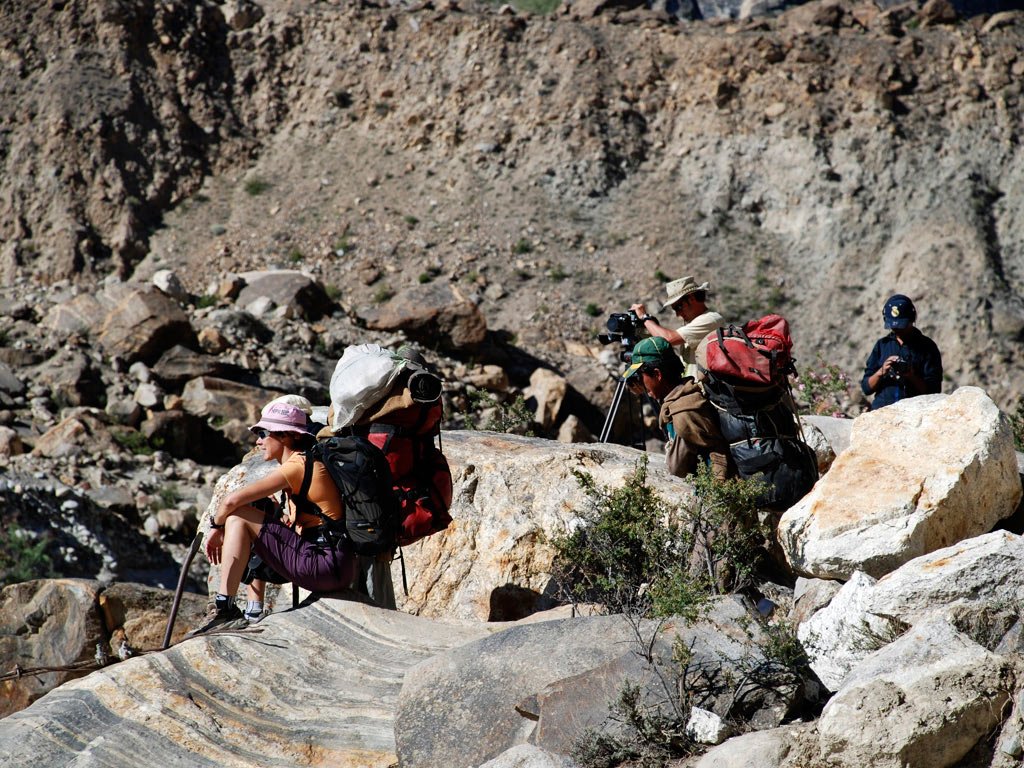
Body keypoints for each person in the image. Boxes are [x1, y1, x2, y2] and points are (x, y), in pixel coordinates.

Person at [188, 401, 356, 635]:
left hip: (323, 564)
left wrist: (215, 528)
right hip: (332, 563)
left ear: (286, 437)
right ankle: (244, 608)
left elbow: (231, 501)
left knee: (238, 516)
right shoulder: (305, 461)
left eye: (263, 434)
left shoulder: (297, 465)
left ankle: (226, 608)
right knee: (258, 508)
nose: (258, 441)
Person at [623, 337, 734, 480]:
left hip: (717, 490)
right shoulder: (689, 393)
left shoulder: (681, 411)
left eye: (640, 376)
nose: (639, 382)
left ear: (657, 374)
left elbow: (677, 468)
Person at [631, 276, 725, 377]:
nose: (678, 314)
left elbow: (668, 339)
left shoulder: (711, 319)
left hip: (704, 389)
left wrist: (644, 317)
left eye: (678, 307)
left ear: (692, 298)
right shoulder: (694, 323)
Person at [861, 294, 942, 411]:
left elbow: (934, 391)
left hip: (914, 413)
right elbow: (866, 388)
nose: (898, 330)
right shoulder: (882, 345)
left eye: (902, 326)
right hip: (882, 412)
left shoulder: (927, 347)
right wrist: (881, 371)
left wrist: (911, 375)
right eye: (894, 327)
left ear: (912, 320)